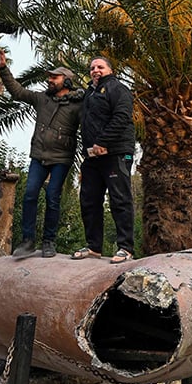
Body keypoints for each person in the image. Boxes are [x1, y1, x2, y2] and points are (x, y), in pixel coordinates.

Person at [0, 52, 85, 259]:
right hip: (39, 156)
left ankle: (49, 242)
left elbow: (90, 125)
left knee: (53, 197)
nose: (50, 80)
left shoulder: (78, 104)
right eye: (49, 77)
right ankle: (27, 241)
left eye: (55, 77)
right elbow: (17, 91)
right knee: (30, 194)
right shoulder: (42, 99)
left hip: (61, 158)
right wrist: (3, 69)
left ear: (67, 81)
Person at [72, 56, 136, 264]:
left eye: (100, 67)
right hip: (92, 155)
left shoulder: (118, 88)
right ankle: (93, 247)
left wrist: (103, 142)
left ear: (110, 69)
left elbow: (122, 117)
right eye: (92, 68)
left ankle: (125, 248)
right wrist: (88, 148)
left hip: (115, 153)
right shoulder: (89, 93)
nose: (95, 70)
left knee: (119, 199)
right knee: (89, 200)